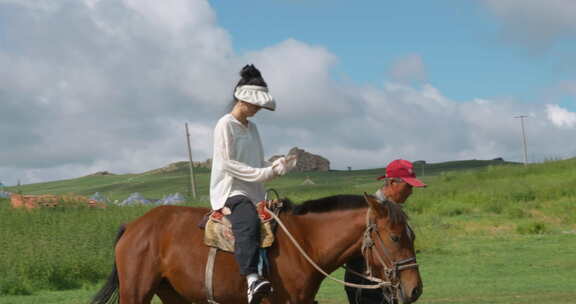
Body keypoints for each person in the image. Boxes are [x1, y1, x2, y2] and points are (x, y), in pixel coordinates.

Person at [209, 64, 296, 304]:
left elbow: (257, 161)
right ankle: (251, 279)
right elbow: (228, 164)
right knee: (247, 223)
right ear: (242, 100)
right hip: (231, 190)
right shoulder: (224, 124)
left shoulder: (253, 127)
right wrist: (266, 173)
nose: (258, 109)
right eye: (256, 104)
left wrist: (277, 165)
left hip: (255, 191)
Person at [344, 159, 426, 304]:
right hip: (367, 287)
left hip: (386, 285)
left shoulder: (392, 211)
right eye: (408, 186)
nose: (411, 192)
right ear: (392, 183)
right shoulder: (368, 214)